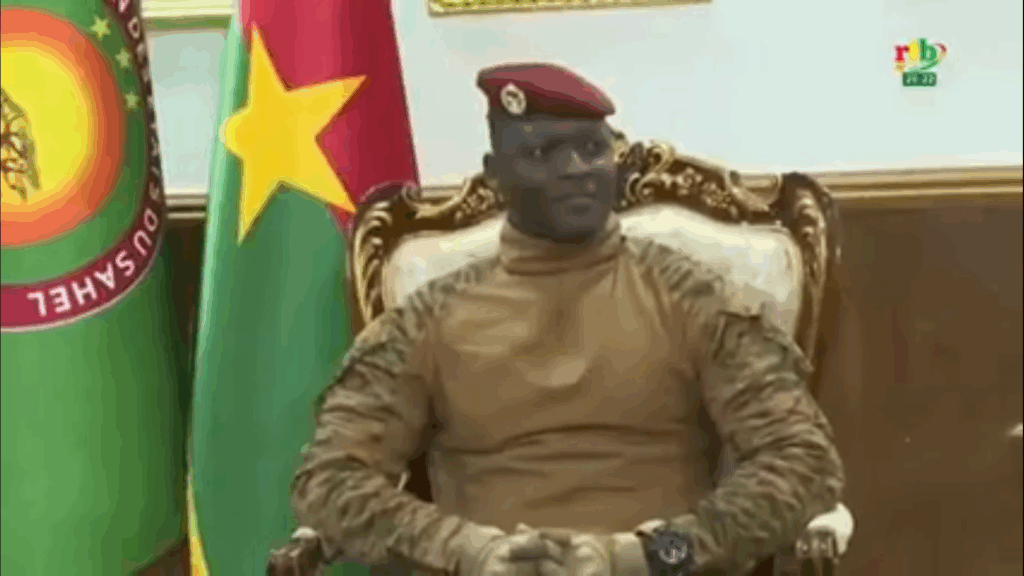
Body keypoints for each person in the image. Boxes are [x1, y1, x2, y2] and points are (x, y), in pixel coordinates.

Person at [267, 63, 845, 576]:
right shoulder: (426, 322)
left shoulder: (694, 299)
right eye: (543, 154)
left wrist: (647, 556)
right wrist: (466, 551)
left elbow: (803, 463)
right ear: (496, 173)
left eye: (592, 149)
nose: (577, 170)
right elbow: (329, 480)